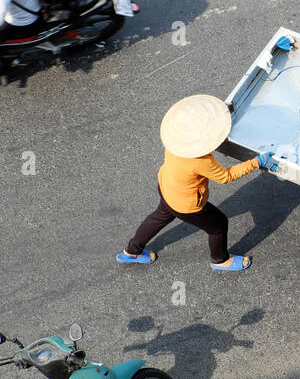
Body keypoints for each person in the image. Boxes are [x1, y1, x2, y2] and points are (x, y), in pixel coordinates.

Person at [118, 94, 278, 271]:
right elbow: (225, 176)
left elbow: (200, 129)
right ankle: (220, 260)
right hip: (186, 204)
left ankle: (132, 250)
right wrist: (256, 162)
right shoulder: (200, 161)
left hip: (167, 187)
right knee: (218, 225)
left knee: (160, 215)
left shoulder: (176, 138)